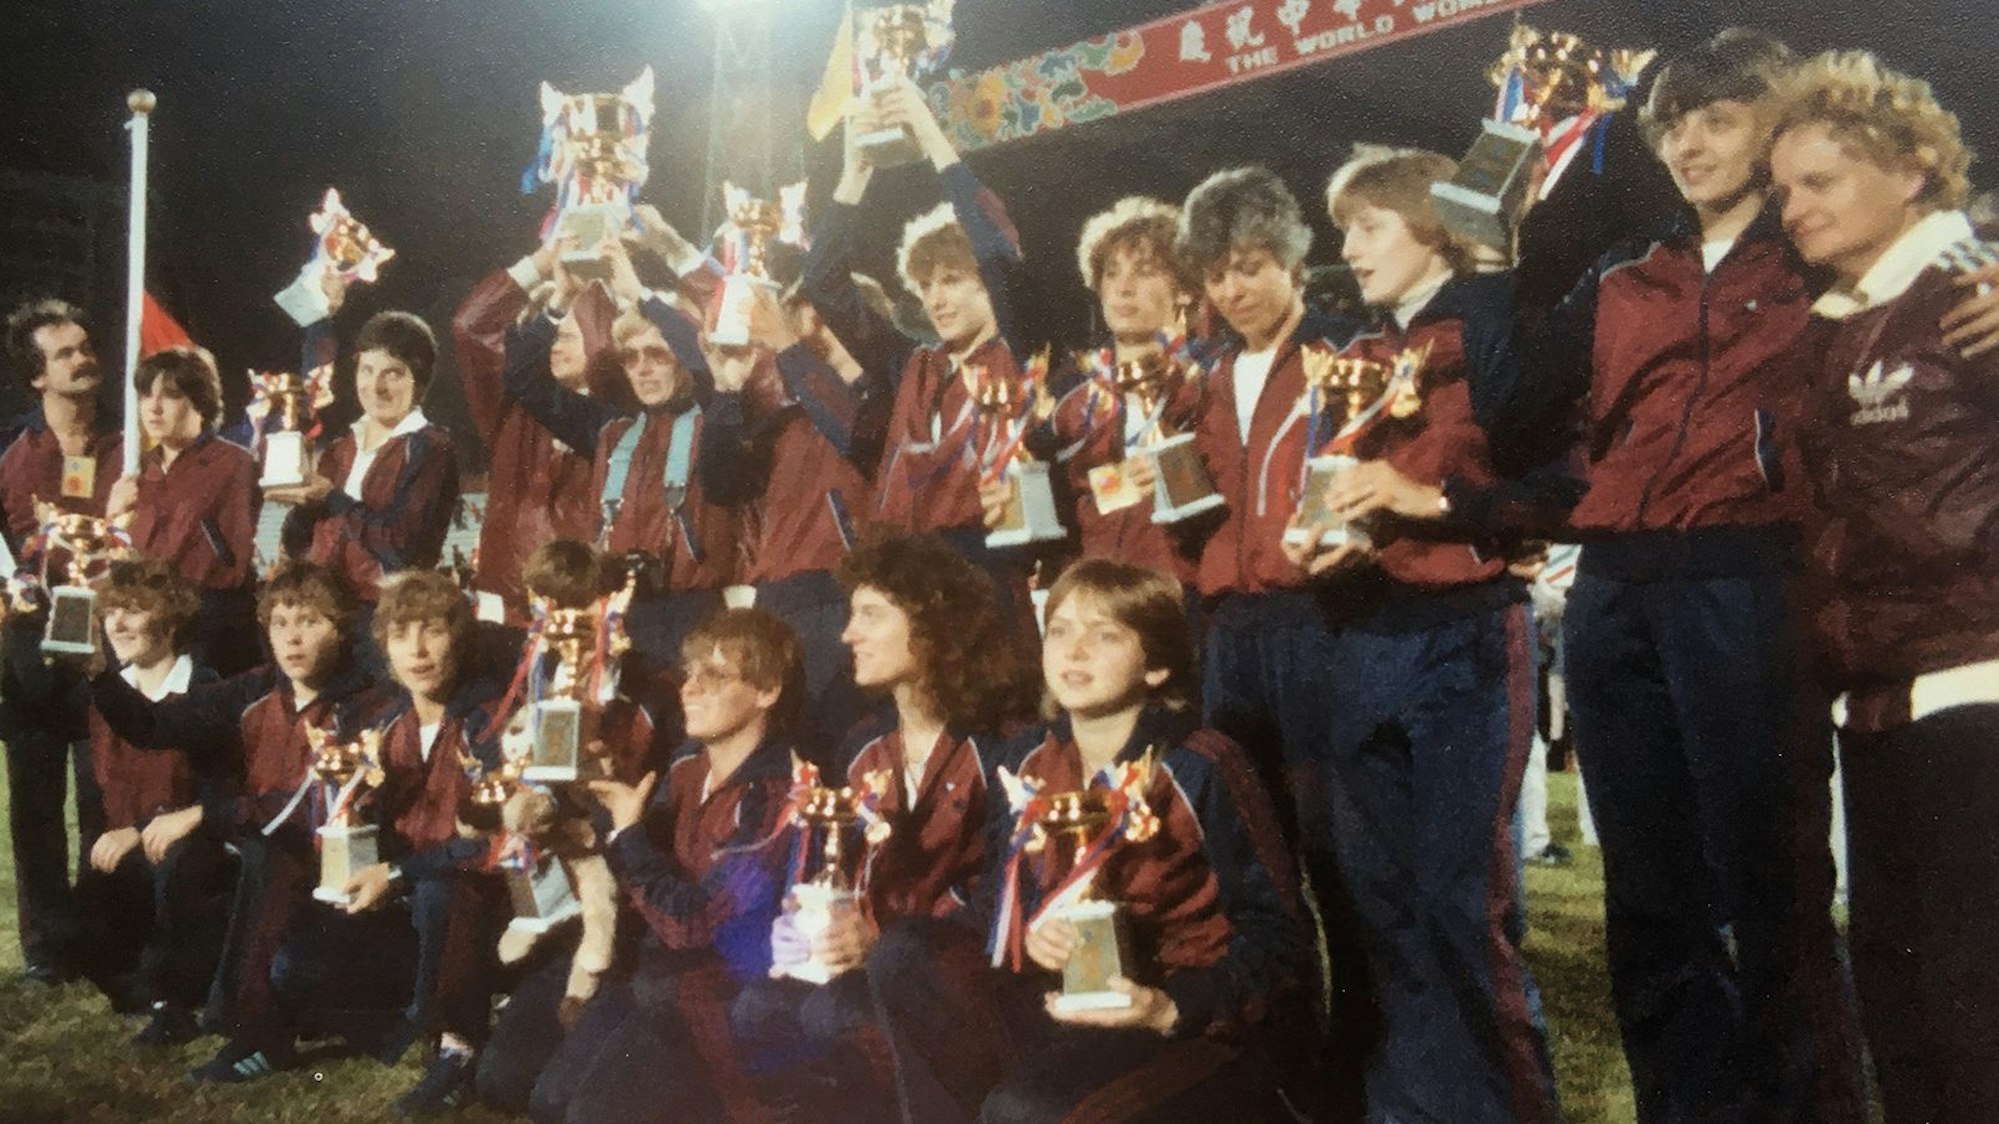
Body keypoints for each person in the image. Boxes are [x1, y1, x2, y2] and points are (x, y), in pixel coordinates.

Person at [1279, 145, 1558, 1123]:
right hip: (1360, 636)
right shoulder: (1355, 355)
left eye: (1367, 224)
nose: (1345, 246)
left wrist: (1428, 498)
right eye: (1342, 226)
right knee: (1378, 906)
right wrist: (1326, 536)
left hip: (1464, 636)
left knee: (1461, 911)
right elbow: (1338, 495)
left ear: (1431, 225)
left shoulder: (1494, 325)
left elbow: (1556, 482)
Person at [1769, 50, 1999, 1123]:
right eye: (1784, 189)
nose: (1793, 206)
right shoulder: (1837, 324)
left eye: (1818, 180)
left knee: (1970, 1007)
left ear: (1910, 171)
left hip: (1974, 693)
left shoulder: (1970, 283)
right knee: (1901, 1006)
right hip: (1873, 699)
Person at [874, 558, 1308, 1123]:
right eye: (1060, 630)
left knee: (1022, 1110)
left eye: (1105, 635)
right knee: (904, 955)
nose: (1074, 651)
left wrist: (1170, 1007)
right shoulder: (1027, 758)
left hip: (1177, 1025)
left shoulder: (1200, 764)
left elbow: (1280, 936)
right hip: (1058, 1007)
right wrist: (1027, 933)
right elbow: (995, 906)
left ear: (1155, 667)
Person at [1167, 165, 1363, 1117]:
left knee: (1338, 857)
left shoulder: (1344, 352)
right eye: (1216, 274)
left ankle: (1353, 1077)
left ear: (1291, 259)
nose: (1233, 289)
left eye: (1249, 266)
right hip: (1228, 631)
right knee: (1251, 865)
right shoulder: (1204, 377)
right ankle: (1282, 1076)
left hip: (1314, 624)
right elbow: (1190, 513)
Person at [729, 532, 1024, 1122]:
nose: (846, 634)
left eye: (870, 614)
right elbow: (835, 866)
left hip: (963, 975)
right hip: (876, 961)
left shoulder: (1004, 747)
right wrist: (806, 924)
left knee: (836, 1013)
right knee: (758, 1007)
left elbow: (1003, 900)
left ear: (932, 624)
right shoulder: (862, 743)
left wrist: (882, 936)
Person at [87, 561, 386, 1083]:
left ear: (340, 628)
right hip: (259, 834)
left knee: (271, 855)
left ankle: (260, 1033)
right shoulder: (257, 688)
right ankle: (180, 1002)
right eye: (280, 624)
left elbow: (308, 805)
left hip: (340, 854)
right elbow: (157, 725)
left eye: (310, 622)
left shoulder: (367, 703)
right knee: (185, 859)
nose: (292, 638)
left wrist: (206, 811)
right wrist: (96, 672)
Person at [526, 608, 806, 1124]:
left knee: (591, 1115)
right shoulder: (685, 767)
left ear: (767, 691)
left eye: (714, 677)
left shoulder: (779, 793)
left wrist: (631, 834)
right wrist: (607, 810)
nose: (690, 690)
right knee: (545, 1100)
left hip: (721, 994)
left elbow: (695, 925)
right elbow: (637, 874)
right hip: (656, 975)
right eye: (690, 674)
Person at [263, 570, 509, 1115]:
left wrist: (396, 875)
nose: (417, 650)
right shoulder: (384, 723)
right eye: (402, 636)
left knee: (442, 894)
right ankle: (418, 1021)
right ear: (385, 648)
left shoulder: (487, 721)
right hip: (399, 904)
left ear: (458, 639)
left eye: (432, 632)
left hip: (476, 906)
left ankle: (459, 1047)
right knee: (293, 967)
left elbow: (491, 846)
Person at [800, 88, 1040, 633]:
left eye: (954, 280)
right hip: (903, 567)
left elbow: (997, 252)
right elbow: (823, 283)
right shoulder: (912, 365)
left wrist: (930, 136)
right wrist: (855, 171)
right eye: (926, 284)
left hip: (984, 563)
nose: (937, 298)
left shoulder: (1023, 353)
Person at [506, 238, 740, 667]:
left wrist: (640, 297)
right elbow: (525, 380)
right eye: (630, 358)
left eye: (656, 354)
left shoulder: (716, 417)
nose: (643, 367)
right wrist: (560, 300)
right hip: (617, 611)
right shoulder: (611, 429)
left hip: (695, 610)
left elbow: (706, 359)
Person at [696, 283, 886, 755]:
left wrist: (787, 348)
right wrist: (726, 386)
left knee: (837, 743)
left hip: (840, 590)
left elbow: (856, 437)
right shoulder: (788, 417)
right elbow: (722, 486)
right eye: (800, 324)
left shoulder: (882, 399)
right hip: (777, 596)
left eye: (820, 322)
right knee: (778, 748)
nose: (808, 335)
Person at [0, 297, 121, 983]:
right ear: (37, 377)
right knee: (36, 802)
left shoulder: (126, 444)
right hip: (30, 651)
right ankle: (47, 944)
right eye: (66, 353)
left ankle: (100, 933)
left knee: (103, 792)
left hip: (106, 644)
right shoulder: (12, 453)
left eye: (85, 346)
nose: (84, 358)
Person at [81, 560, 233, 1042]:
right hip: (133, 847)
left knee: (177, 868)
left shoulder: (204, 687)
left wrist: (141, 826)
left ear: (169, 621)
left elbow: (216, 788)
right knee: (84, 928)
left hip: (196, 840)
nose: (118, 625)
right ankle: (150, 979)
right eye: (111, 613)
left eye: (134, 611)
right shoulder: (109, 693)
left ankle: (178, 999)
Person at [450, 235, 626, 623]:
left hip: (582, 604)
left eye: (564, 335)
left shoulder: (622, 421)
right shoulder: (511, 410)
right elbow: (470, 327)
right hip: (507, 598)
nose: (551, 347)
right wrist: (543, 262)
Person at [1042, 197, 1206, 588]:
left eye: (1144, 272)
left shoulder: (1206, 383)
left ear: (1183, 289)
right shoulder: (1074, 399)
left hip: (1183, 592)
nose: (1123, 287)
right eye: (1111, 273)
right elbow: (1059, 507)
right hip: (1099, 595)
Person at [277, 308, 462, 611]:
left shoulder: (430, 447)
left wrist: (332, 498)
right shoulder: (340, 448)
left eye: (392, 373)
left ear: (419, 380)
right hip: (324, 613)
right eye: (367, 370)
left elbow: (401, 549)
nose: (376, 387)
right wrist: (302, 505)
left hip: (383, 615)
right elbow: (299, 545)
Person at [105, 347, 262, 675]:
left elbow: (236, 563)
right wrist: (111, 514)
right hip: (141, 623)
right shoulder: (136, 471)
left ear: (199, 402)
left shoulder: (233, 464)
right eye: (146, 396)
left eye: (170, 395)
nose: (154, 407)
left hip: (205, 624)